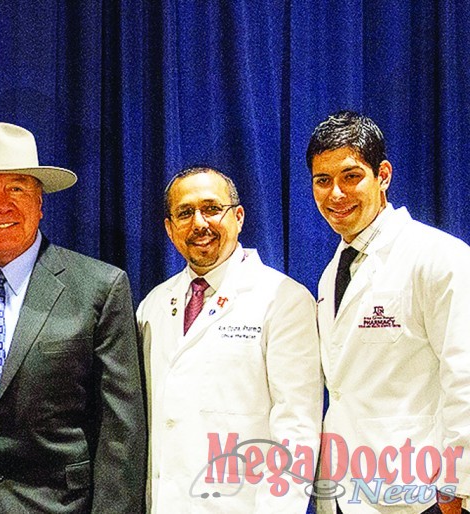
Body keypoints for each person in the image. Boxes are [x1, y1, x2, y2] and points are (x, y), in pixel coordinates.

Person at [0, 122, 146, 513]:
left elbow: (120, 433)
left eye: (17, 189)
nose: (1, 204)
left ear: (40, 202)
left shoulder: (100, 286)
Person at [308, 111, 470, 514]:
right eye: (322, 181)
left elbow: (465, 377)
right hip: (347, 492)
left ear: (383, 175)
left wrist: (456, 491)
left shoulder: (439, 257)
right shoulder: (332, 274)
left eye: (350, 176)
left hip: (423, 496)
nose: (336, 194)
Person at [137, 166, 322, 512]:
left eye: (211, 208)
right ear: (169, 228)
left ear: (238, 217)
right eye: (185, 213)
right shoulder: (153, 305)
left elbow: (297, 430)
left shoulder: (284, 300)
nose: (199, 223)